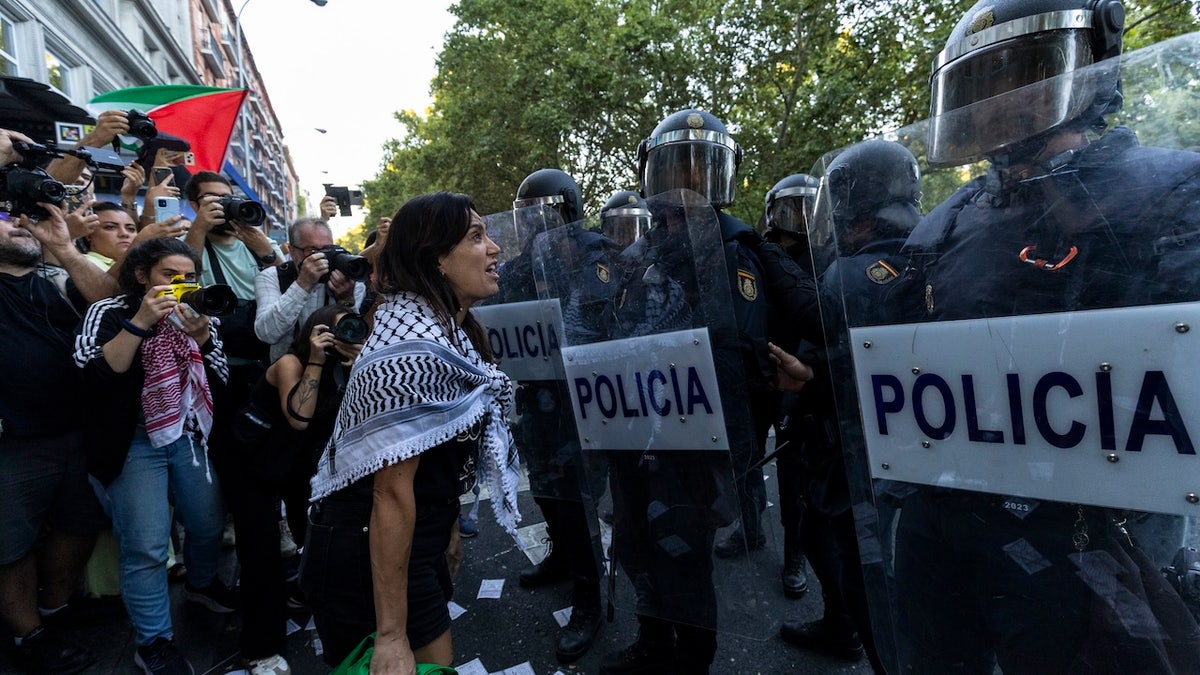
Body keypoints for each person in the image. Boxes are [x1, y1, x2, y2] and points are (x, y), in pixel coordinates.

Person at [887, 0, 1200, 671]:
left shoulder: (1171, 192)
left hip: (1095, 518)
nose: (1003, 104)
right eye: (985, 87)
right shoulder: (946, 225)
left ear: (1091, 73)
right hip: (954, 501)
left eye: (1025, 75)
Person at [300, 192, 522, 672]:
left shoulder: (451, 334)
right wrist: (392, 635)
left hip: (407, 544)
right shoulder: (411, 351)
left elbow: (436, 464)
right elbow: (390, 495)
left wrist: (445, 531)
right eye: (476, 237)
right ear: (436, 259)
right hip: (361, 553)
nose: (495, 249)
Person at [778, 140, 924, 675]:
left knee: (863, 568)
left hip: (852, 451)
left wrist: (809, 378)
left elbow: (828, 364)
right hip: (923, 445)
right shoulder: (937, 252)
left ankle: (867, 642)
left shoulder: (847, 276)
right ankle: (842, 626)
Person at [73, 237, 235, 675]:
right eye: (170, 276)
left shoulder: (202, 318)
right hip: (132, 441)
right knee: (145, 546)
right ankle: (154, 642)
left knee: (206, 523)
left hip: (187, 436)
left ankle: (201, 584)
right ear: (143, 275)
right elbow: (94, 379)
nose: (182, 286)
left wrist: (201, 340)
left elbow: (220, 387)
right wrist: (142, 321)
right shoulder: (107, 313)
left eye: (190, 278)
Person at [0, 134, 115, 674]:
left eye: (21, 217)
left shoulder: (55, 275)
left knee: (80, 520)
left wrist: (66, 247)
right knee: (11, 541)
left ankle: (54, 608)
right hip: (15, 440)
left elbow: (106, 303)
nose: (17, 223)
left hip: (76, 432)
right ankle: (28, 635)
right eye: (5, 217)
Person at [223, 304, 362, 675]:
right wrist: (316, 361)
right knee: (262, 555)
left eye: (353, 328)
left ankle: (304, 594)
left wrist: (358, 369)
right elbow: (300, 417)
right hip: (252, 463)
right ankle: (259, 648)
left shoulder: (350, 365)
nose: (347, 337)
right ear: (316, 334)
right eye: (338, 331)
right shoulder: (291, 363)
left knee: (317, 537)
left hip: (297, 466)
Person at [505, 168, 607, 663]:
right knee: (547, 488)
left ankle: (591, 594)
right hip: (536, 396)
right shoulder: (520, 263)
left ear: (566, 209)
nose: (527, 224)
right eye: (522, 214)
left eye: (536, 213)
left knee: (579, 498)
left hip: (583, 399)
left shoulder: (593, 251)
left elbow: (607, 316)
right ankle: (562, 557)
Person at [760, 173, 820, 601]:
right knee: (742, 454)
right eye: (790, 209)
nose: (798, 219)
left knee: (793, 468)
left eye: (807, 208)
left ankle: (793, 553)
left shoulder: (825, 256)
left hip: (796, 373)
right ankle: (747, 528)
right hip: (756, 368)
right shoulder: (756, 252)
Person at [253, 216, 364, 363]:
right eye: (311, 250)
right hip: (286, 374)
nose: (321, 256)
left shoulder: (349, 279)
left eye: (326, 249)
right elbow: (266, 333)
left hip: (335, 369)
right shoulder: (271, 277)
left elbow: (354, 335)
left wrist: (346, 300)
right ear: (292, 252)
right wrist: (302, 284)